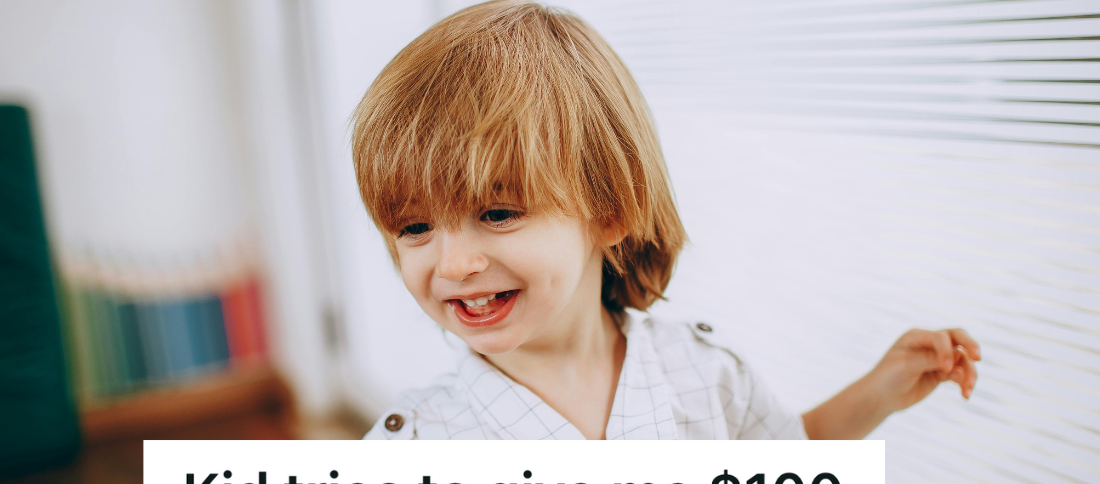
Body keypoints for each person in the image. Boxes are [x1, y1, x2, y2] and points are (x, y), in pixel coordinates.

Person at [353, 1, 980, 441]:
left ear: (610, 211)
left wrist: (880, 391)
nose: (455, 264)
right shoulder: (414, 455)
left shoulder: (702, 375)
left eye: (498, 213)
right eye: (414, 228)